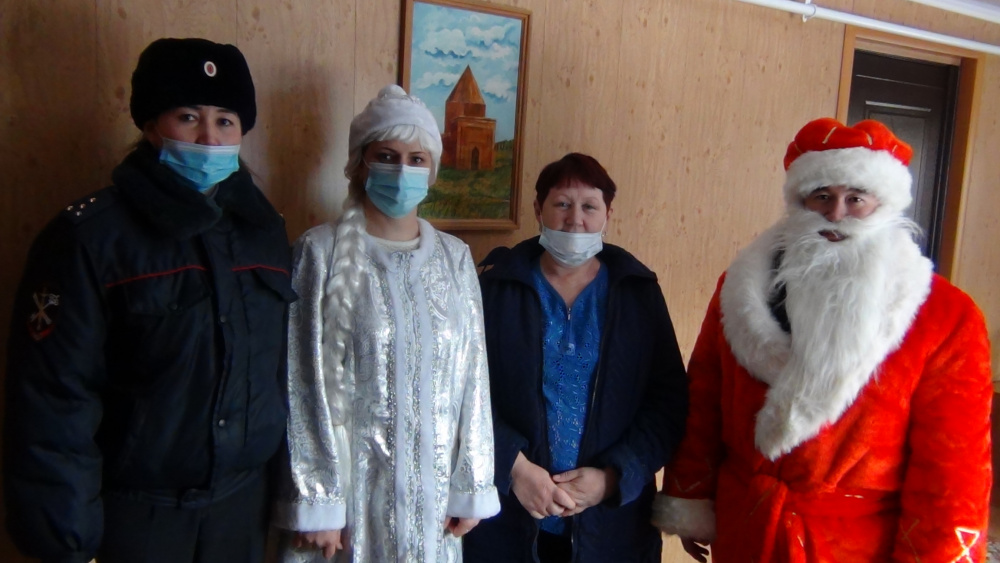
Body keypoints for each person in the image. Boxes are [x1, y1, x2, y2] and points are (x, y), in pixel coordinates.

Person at [3, 38, 294, 563]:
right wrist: (66, 540)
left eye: (225, 120)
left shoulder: (264, 231)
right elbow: (54, 398)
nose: (209, 137)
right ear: (150, 125)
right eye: (188, 117)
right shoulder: (90, 238)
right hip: (135, 516)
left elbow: (280, 376)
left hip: (241, 511)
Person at [652, 118, 993, 562]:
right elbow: (704, 397)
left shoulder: (946, 316)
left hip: (855, 545)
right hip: (746, 529)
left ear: (883, 204)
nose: (835, 214)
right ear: (800, 201)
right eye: (822, 196)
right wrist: (691, 496)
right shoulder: (739, 289)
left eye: (856, 199)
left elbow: (953, 468)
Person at [273, 84, 499, 563]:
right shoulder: (320, 252)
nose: (402, 170)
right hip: (349, 512)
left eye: (416, 159)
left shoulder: (455, 259)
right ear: (361, 164)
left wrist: (473, 484)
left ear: (432, 170)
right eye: (387, 156)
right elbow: (304, 381)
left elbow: (473, 377)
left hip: (435, 509)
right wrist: (319, 499)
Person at [462, 153, 689, 563]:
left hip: (612, 529)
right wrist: (512, 466)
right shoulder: (496, 290)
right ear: (538, 209)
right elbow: (464, 391)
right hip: (506, 517)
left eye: (589, 206)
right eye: (562, 204)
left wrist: (613, 477)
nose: (575, 220)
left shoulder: (637, 294)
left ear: (608, 214)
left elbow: (668, 402)